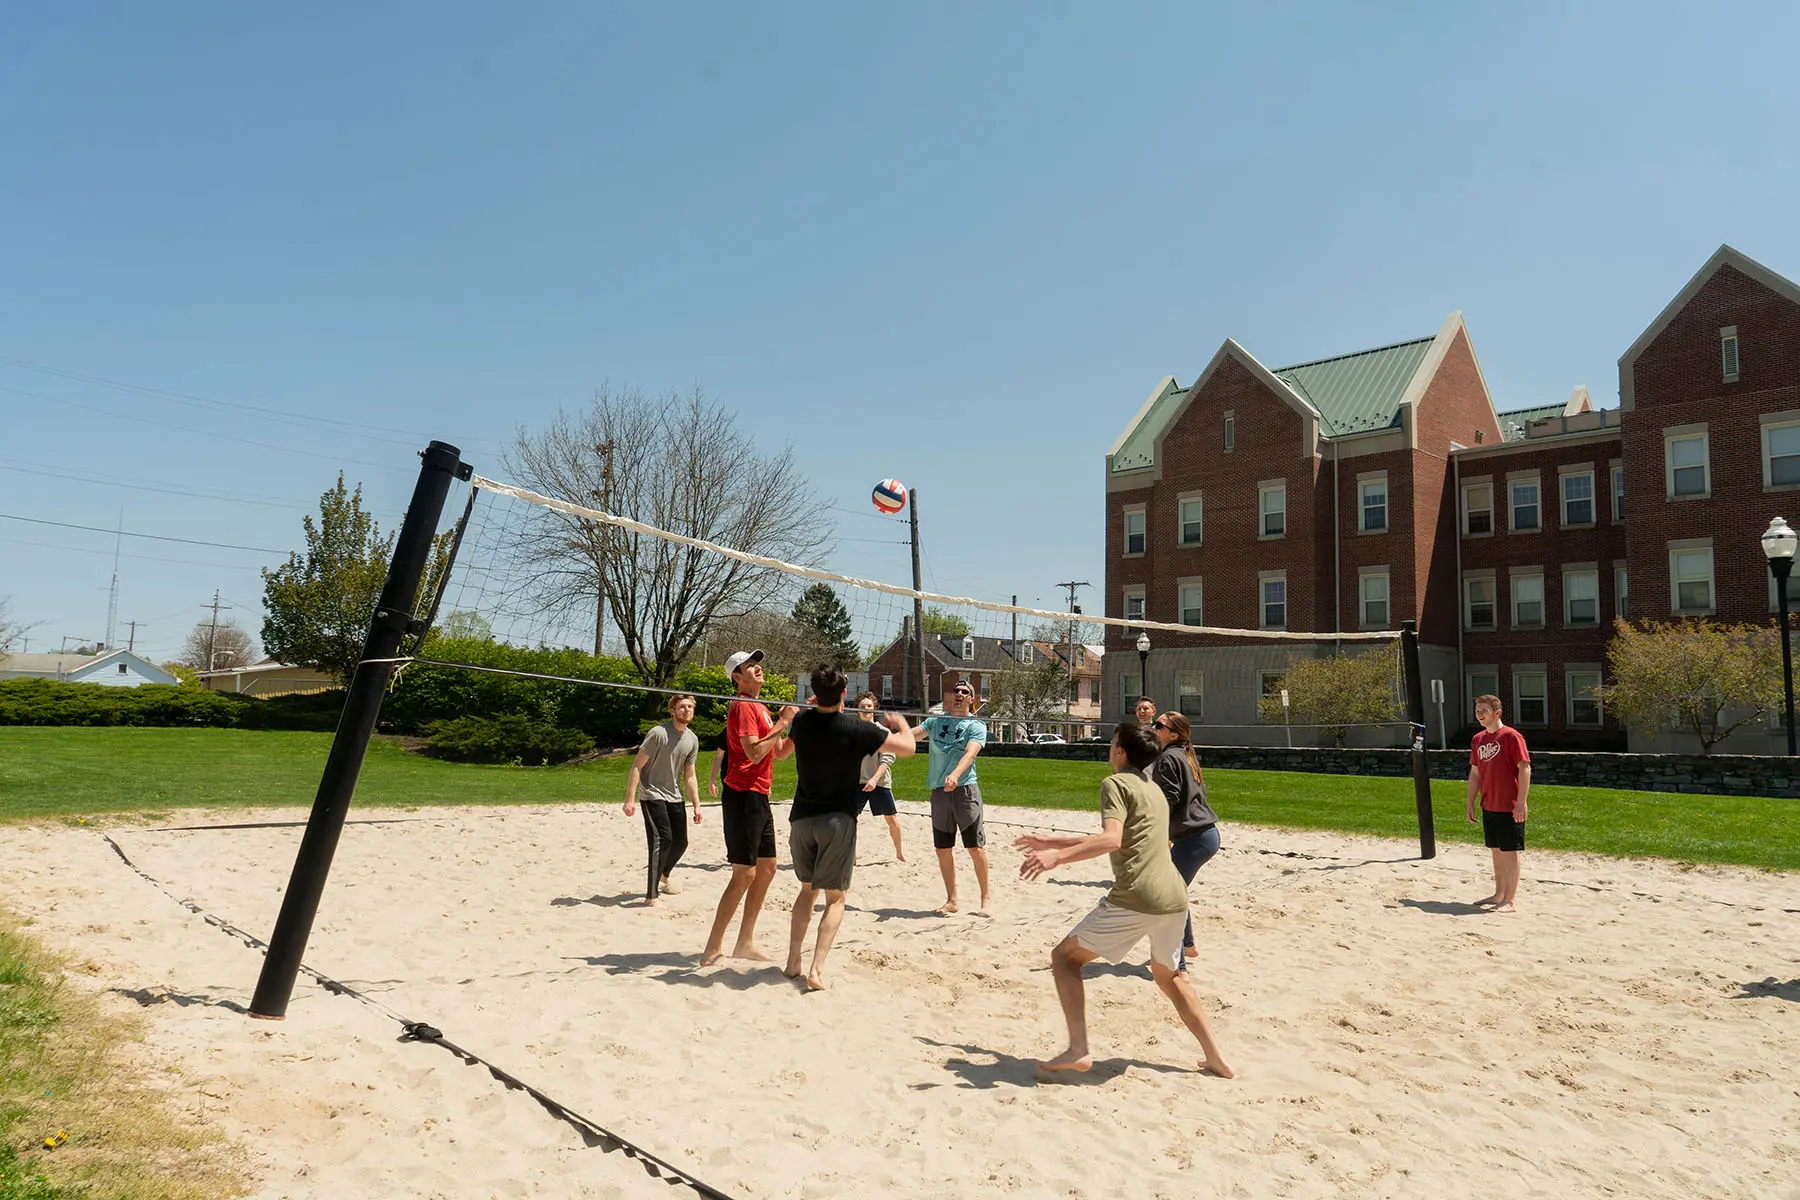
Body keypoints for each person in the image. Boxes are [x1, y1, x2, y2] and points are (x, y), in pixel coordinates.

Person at [1015, 721, 1234, 1078]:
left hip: (1138, 895)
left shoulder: (1114, 783)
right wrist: (1053, 841)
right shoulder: (1153, 791)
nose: (1110, 747)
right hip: (1174, 896)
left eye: (1113, 742)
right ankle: (1215, 1057)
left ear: (1120, 751)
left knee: (1064, 959)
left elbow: (1111, 839)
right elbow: (1130, 839)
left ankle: (1078, 1048)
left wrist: (1056, 858)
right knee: (1172, 979)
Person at [784, 666, 917, 989]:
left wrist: (792, 716)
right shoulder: (858, 729)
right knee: (835, 898)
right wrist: (901, 724)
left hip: (801, 818)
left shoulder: (801, 722)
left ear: (814, 693)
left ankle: (792, 963)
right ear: (845, 694)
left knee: (806, 890)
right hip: (837, 819)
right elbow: (908, 749)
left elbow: (779, 754)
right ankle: (816, 970)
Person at [701, 650, 799, 966]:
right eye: (749, 666)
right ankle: (712, 947)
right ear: (736, 676)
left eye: (757, 664)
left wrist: (798, 724)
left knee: (767, 868)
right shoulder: (743, 704)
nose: (757, 668)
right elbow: (754, 753)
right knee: (744, 873)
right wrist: (783, 720)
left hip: (759, 794)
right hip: (742, 793)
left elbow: (780, 752)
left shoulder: (758, 706)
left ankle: (744, 942)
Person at [912, 679, 990, 915]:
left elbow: (971, 753)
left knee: (975, 848)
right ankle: (952, 900)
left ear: (971, 699)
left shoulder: (975, 725)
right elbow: (911, 736)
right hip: (939, 791)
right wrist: (883, 734)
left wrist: (955, 774)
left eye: (964, 691)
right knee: (943, 848)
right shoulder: (936, 721)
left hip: (965, 790)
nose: (958, 693)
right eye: (955, 690)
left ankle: (985, 899)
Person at [1149, 711, 1220, 965]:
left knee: (1168, 897)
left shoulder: (1168, 758)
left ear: (1174, 734)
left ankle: (1177, 967)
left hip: (1195, 838)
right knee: (1174, 891)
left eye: (1159, 725)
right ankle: (1188, 946)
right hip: (1203, 835)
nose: (1153, 727)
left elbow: (1169, 798)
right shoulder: (1183, 755)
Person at [621, 693, 702, 905]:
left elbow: (690, 775)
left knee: (681, 842)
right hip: (652, 794)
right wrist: (630, 799)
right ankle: (651, 896)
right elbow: (637, 765)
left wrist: (696, 804)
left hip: (675, 795)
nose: (687, 710)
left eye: (690, 707)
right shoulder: (658, 733)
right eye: (682, 707)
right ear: (672, 710)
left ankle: (664, 876)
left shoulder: (692, 739)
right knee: (662, 840)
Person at [1467, 693, 1531, 913]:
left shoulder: (1512, 736)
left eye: (1484, 710)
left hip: (1509, 805)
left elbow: (1525, 768)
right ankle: (1499, 894)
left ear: (1497, 713)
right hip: (1489, 804)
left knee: (1509, 851)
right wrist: (1470, 801)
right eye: (1477, 711)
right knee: (1495, 851)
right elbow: (1475, 772)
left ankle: (1510, 900)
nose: (1480, 715)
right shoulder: (1478, 740)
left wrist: (1521, 802)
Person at [854, 691, 905, 861]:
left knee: (891, 819)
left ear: (875, 709)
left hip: (880, 781)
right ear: (857, 710)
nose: (866, 709)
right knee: (849, 819)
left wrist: (874, 779)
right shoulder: (851, 730)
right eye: (863, 706)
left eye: (869, 706)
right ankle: (850, 855)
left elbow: (888, 758)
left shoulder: (882, 731)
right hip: (857, 782)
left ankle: (899, 853)